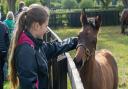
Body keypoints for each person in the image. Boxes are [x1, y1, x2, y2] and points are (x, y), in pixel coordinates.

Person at [8, 4, 79, 89]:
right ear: (36, 26)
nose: (46, 30)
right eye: (46, 26)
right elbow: (29, 85)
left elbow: (55, 47)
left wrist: (76, 41)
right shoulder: (26, 51)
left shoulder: (36, 44)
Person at [0, 12, 9, 89]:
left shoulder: (4, 25)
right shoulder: (4, 26)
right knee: (1, 70)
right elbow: (7, 41)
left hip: (2, 51)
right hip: (3, 51)